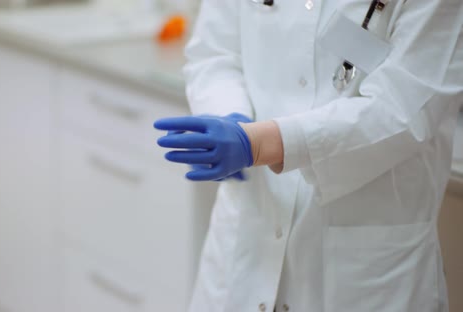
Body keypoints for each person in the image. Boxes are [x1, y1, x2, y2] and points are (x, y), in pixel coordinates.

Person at [154, 0, 463, 311]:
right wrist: (228, 115)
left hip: (366, 272)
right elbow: (214, 54)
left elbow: (403, 108)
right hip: (246, 238)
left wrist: (263, 144)